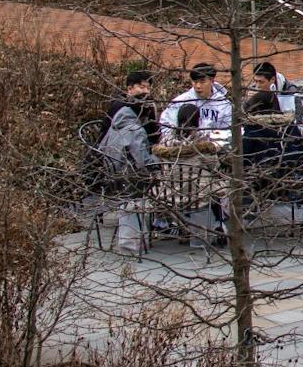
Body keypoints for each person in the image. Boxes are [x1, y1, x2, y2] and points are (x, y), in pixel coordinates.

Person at [151, 102, 228, 245]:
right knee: (218, 184)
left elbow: (157, 164)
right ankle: (219, 223)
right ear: (198, 121)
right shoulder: (202, 143)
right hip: (198, 195)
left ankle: (166, 223)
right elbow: (214, 165)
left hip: (169, 194)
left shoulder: (165, 142)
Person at [100, 71, 159, 172]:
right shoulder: (120, 107)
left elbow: (153, 134)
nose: (146, 92)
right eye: (142, 87)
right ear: (130, 89)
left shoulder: (146, 106)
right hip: (123, 159)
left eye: (148, 88)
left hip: (133, 152)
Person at [161, 63, 233, 140]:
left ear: (212, 81)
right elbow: (166, 124)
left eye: (202, 82)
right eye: (195, 82)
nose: (198, 86)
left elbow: (230, 130)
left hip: (215, 147)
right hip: (184, 146)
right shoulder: (181, 101)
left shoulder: (223, 104)